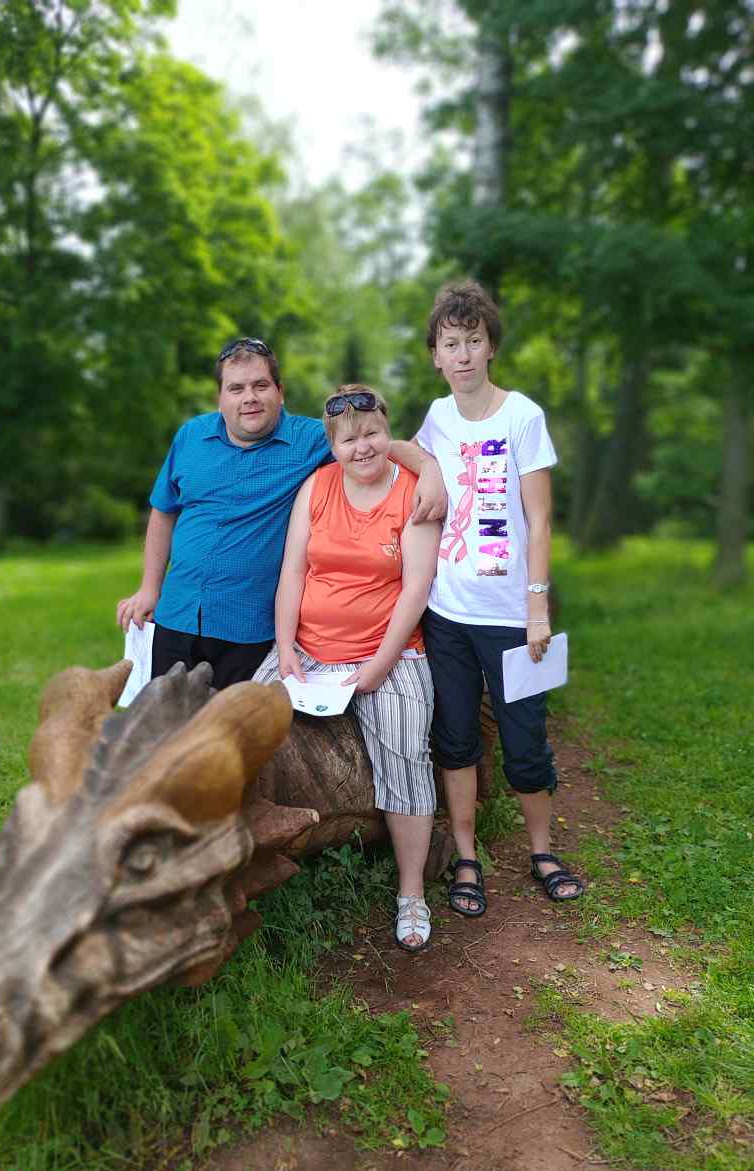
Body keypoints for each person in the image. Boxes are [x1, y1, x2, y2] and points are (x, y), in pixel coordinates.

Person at [116, 338, 446, 689]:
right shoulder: (191, 436)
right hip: (177, 614)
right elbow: (163, 512)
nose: (250, 397)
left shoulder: (309, 439)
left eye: (260, 385)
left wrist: (429, 468)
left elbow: (367, 443)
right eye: (236, 388)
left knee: (234, 724)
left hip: (246, 631)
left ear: (280, 392)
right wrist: (149, 588)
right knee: (165, 719)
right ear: (220, 398)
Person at [414, 280, 583, 916]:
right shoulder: (437, 418)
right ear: (436, 355)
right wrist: (428, 467)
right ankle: (466, 857)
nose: (462, 355)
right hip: (447, 616)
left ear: (490, 347)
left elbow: (540, 521)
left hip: (512, 617)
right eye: (450, 344)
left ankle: (542, 852)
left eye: (473, 341)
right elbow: (411, 459)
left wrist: (537, 607)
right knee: (456, 738)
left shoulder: (522, 417)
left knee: (525, 741)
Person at [253, 385, 441, 953]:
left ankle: (411, 892)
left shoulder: (411, 493)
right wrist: (286, 648)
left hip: (389, 651)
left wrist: (380, 666)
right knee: (241, 722)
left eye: (372, 434)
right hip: (309, 646)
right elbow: (292, 573)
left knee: (406, 750)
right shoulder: (316, 487)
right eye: (349, 439)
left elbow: (416, 588)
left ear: (389, 434)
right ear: (332, 445)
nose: (362, 448)